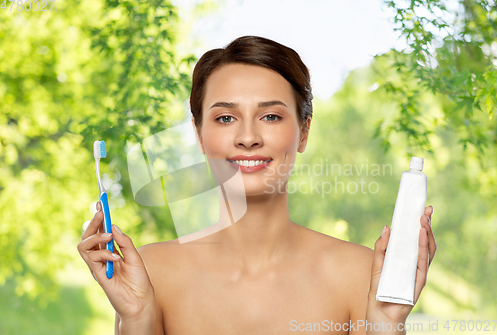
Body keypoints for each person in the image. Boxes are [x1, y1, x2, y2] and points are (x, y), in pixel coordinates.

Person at [77, 35, 437, 335]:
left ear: (304, 131)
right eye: (225, 117)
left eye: (270, 116)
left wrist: (386, 325)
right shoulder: (152, 273)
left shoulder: (360, 276)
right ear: (199, 135)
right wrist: (136, 318)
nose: (248, 137)